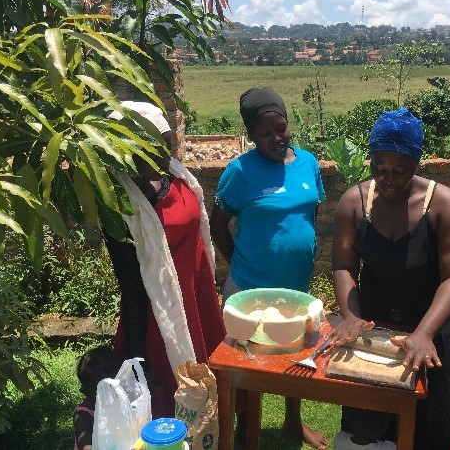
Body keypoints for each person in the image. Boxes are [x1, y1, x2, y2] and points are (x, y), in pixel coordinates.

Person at [329, 107, 450, 450]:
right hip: (372, 338)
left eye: (400, 170)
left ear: (417, 164)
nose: (389, 178)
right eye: (380, 168)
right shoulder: (355, 203)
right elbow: (344, 266)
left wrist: (424, 333)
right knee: (369, 432)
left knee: (427, 433)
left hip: (427, 337)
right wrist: (351, 317)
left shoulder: (443, 206)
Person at [209, 87, 329, 450]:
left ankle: (294, 422)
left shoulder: (307, 163)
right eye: (266, 133)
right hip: (249, 289)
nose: (277, 138)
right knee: (247, 364)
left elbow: (310, 212)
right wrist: (242, 266)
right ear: (252, 136)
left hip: (296, 287)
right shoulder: (240, 172)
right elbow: (218, 225)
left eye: (282, 128)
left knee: (297, 355)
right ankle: (247, 432)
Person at [104, 100, 226, 417]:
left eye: (162, 143)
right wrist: (139, 361)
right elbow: (131, 289)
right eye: (144, 148)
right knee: (171, 400)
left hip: (197, 300)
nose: (159, 154)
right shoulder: (123, 206)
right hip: (162, 319)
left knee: (211, 383)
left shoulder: (173, 175)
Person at [73, 346, 124, 450]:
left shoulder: (121, 404)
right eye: (100, 391)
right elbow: (86, 446)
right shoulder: (83, 415)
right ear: (85, 392)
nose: (109, 394)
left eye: (113, 388)